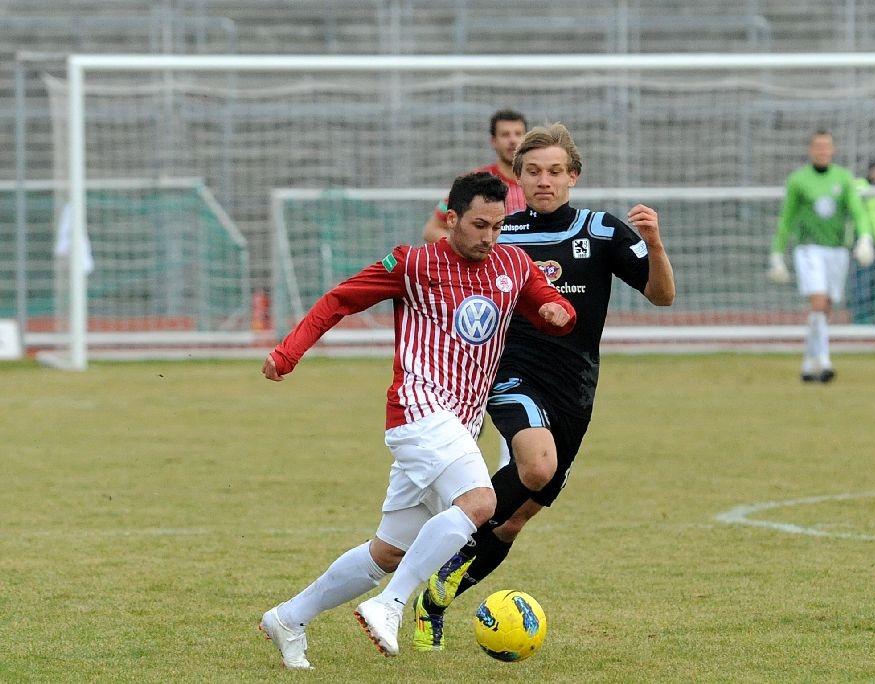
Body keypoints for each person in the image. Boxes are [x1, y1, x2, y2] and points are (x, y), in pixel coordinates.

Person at [257, 172, 576, 669]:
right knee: (481, 502)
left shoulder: (513, 264)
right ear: (451, 219)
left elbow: (551, 306)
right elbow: (341, 299)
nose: (489, 237)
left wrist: (559, 313)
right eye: (479, 225)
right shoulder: (412, 264)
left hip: (460, 423)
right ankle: (390, 604)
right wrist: (288, 353)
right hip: (417, 408)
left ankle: (288, 618)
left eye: (497, 226)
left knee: (388, 552)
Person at [411, 122, 676, 652]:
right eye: (533, 172)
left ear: (573, 176)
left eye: (554, 171)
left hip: (575, 390)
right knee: (535, 467)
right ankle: (447, 529)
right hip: (511, 374)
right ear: (519, 178)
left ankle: (434, 600)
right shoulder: (500, 235)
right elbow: (444, 273)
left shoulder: (601, 231)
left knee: (514, 521)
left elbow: (662, 295)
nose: (544, 181)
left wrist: (653, 243)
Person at [767, 129, 875, 382]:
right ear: (811, 150)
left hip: (837, 250)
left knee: (825, 308)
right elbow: (786, 218)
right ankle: (825, 362)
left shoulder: (844, 178)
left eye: (827, 146)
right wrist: (776, 253)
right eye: (818, 146)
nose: (823, 151)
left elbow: (858, 211)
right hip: (809, 249)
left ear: (833, 150)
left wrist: (865, 237)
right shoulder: (798, 180)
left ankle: (808, 365)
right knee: (818, 301)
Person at [422, 109, 528, 243]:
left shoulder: (541, 182)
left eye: (518, 134)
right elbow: (432, 230)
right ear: (493, 140)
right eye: (505, 135)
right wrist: (468, 248)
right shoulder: (475, 181)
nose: (513, 140)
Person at [850, 160, 875, 324]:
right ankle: (860, 318)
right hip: (862, 242)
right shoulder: (861, 185)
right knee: (862, 283)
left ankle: (871, 317)